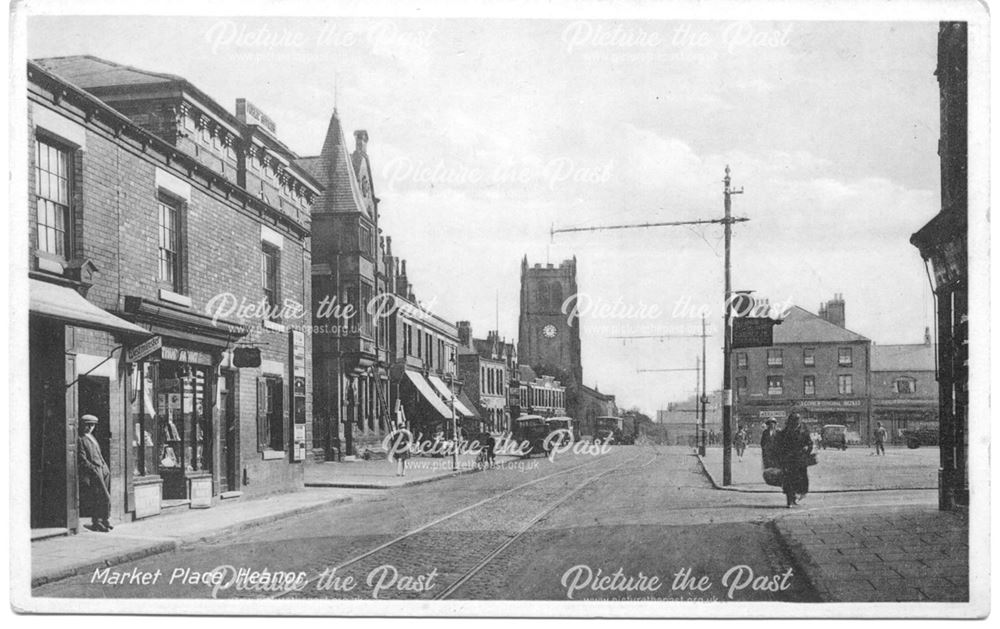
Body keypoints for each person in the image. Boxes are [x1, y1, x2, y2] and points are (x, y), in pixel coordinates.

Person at [78, 414, 113, 532]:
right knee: (103, 496)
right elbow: (82, 459)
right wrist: (93, 469)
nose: (89, 428)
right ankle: (97, 522)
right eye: (87, 425)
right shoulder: (81, 439)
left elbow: (99, 453)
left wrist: (105, 467)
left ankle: (104, 521)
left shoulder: (92, 437)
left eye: (92, 425)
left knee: (103, 496)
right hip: (95, 470)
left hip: (103, 469)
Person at [777, 413, 813, 508]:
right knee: (788, 480)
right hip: (788, 460)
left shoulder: (804, 431)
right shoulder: (785, 432)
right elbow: (780, 446)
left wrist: (807, 448)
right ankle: (789, 500)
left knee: (800, 480)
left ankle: (795, 496)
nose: (795, 422)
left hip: (800, 460)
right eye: (793, 420)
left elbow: (810, 443)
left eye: (797, 420)